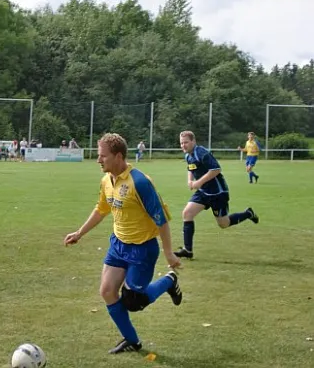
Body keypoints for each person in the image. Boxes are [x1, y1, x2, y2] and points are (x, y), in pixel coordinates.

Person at [64, 133, 182, 355]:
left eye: (103, 156)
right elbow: (101, 209)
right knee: (107, 291)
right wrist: (79, 233)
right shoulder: (106, 180)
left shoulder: (140, 182)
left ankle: (169, 281)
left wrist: (168, 253)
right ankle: (132, 341)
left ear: (118, 156)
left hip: (142, 250)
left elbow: (161, 219)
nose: (98, 160)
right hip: (118, 244)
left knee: (133, 302)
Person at [175, 131, 259, 259]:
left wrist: (198, 182)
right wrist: (190, 181)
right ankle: (188, 250)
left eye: (186, 142)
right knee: (187, 213)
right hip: (203, 192)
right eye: (181, 143)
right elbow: (190, 168)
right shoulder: (188, 155)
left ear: (193, 141)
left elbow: (216, 170)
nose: (183, 145)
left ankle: (248, 214)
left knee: (223, 224)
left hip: (218, 193)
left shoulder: (201, 152)